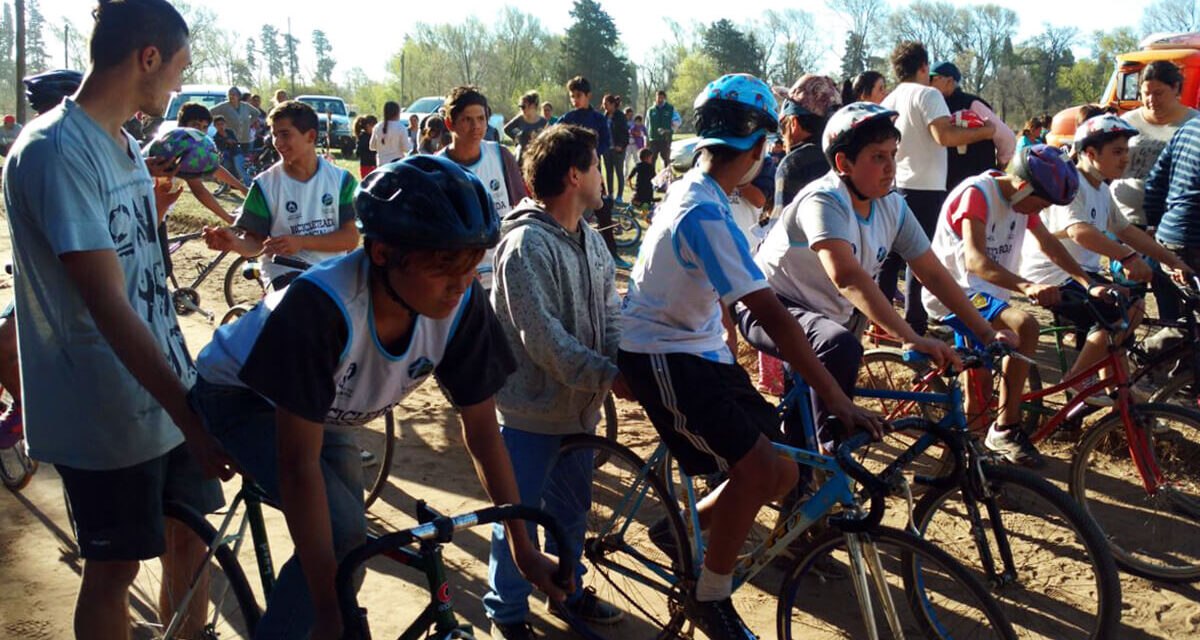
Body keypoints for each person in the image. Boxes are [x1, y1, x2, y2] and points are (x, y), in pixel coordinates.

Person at [191, 155, 567, 639]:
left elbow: (482, 432)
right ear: (383, 253)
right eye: (443, 267)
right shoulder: (320, 307)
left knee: (345, 548)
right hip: (241, 395)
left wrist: (523, 548)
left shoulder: (463, 301)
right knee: (342, 534)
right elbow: (298, 466)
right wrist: (327, 613)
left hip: (327, 407)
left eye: (472, 265)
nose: (460, 284)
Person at [618, 73, 883, 640]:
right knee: (762, 468)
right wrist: (836, 398)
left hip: (697, 346)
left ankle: (677, 530)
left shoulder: (711, 193)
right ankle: (707, 598)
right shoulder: (706, 212)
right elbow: (779, 324)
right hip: (661, 352)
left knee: (784, 469)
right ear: (762, 147)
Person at [4, 3, 237, 638]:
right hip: (104, 409)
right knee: (116, 568)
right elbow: (106, 304)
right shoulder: (54, 150)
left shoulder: (128, 146)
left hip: (164, 389)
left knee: (190, 545)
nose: (178, 85)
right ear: (149, 57)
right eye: (179, 67)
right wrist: (192, 418)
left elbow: (133, 261)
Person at [746, 102, 1010, 449]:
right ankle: (828, 454)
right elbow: (847, 276)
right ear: (844, 164)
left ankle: (806, 481)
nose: (891, 168)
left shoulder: (892, 205)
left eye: (893, 154)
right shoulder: (824, 201)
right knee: (838, 347)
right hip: (769, 305)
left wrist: (986, 332)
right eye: (878, 157)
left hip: (826, 312)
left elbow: (931, 271)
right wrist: (908, 336)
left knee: (813, 398)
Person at [483, 124, 625, 639]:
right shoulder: (524, 245)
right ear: (574, 174)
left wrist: (619, 358)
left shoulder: (590, 239)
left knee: (571, 511)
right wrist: (610, 374)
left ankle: (567, 589)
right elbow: (542, 340)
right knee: (518, 517)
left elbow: (611, 314)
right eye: (595, 166)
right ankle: (507, 610)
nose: (603, 178)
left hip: (579, 410)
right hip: (529, 413)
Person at [924, 144, 1121, 467]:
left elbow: (1050, 245)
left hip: (989, 295)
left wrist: (1090, 284)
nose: (1040, 212)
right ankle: (1001, 432)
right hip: (954, 291)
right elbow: (974, 261)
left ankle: (973, 455)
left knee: (983, 386)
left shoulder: (1022, 203)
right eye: (1041, 204)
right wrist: (1027, 286)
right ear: (1022, 185)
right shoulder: (978, 194)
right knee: (1023, 327)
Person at [1019, 113, 1190, 399]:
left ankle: (1115, 388)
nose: (1125, 159)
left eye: (1126, 151)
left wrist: (1173, 261)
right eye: (1117, 152)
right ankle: (1077, 381)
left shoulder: (1101, 188)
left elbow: (1126, 231)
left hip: (1081, 274)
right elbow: (1079, 232)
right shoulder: (1072, 183)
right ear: (1090, 152)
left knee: (1131, 308)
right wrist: (1127, 258)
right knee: (1115, 313)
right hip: (1053, 275)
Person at [878, 41, 996, 337]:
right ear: (923, 67)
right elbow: (943, 135)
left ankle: (879, 323)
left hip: (895, 185)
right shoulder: (928, 94)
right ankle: (915, 323)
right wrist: (986, 131)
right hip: (926, 188)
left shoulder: (889, 99)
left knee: (891, 259)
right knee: (922, 256)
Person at [202, 100, 360, 293]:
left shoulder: (342, 180)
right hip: (284, 271)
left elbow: (350, 239)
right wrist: (234, 243)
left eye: (285, 134)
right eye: (274, 134)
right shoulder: (265, 184)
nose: (277, 142)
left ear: (310, 136)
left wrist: (300, 242)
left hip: (331, 272)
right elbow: (255, 243)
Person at [438, 85, 526, 290]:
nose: (476, 126)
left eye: (481, 119)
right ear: (450, 123)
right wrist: (458, 268)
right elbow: (436, 233)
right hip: (463, 280)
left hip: (506, 272)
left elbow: (523, 211)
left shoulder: (501, 156)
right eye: (467, 119)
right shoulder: (437, 168)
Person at [1113, 61, 1199, 229]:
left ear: (1175, 88)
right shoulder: (1126, 122)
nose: (1151, 100)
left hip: (1172, 222)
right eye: (1146, 93)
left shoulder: (1194, 123)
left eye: (1158, 93)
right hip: (1124, 220)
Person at [559, 77, 624, 265]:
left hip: (594, 171)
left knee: (603, 210)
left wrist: (591, 154)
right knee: (573, 213)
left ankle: (612, 254)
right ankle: (571, 256)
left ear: (588, 96)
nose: (575, 100)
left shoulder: (598, 119)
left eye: (578, 95)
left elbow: (605, 142)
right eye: (572, 96)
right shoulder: (568, 118)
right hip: (572, 175)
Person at [928, 61, 1016, 193]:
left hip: (978, 182)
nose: (928, 83)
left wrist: (1000, 166)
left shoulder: (972, 104)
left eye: (933, 79)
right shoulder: (932, 105)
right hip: (947, 183)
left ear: (949, 81)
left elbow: (1007, 137)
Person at [774, 74, 842, 211]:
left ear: (793, 123)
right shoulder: (845, 160)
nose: (782, 134)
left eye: (782, 124)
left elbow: (781, 227)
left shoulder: (794, 165)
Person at [210, 85, 256, 185]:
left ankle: (246, 181)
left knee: (244, 161)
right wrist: (219, 124)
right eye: (230, 95)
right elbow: (210, 112)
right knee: (231, 161)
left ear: (239, 96)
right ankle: (229, 182)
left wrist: (249, 123)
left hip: (244, 138)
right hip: (230, 138)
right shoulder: (224, 106)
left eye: (234, 94)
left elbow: (256, 113)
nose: (232, 97)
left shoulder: (245, 106)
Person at [503, 91, 548, 162]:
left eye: (523, 107)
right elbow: (506, 129)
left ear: (532, 106)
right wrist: (517, 137)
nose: (521, 109)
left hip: (537, 154)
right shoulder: (520, 118)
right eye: (520, 107)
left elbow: (548, 139)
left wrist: (538, 136)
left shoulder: (543, 121)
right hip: (522, 155)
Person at [601, 94, 629, 202]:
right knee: (609, 172)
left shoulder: (620, 116)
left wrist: (621, 146)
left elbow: (625, 133)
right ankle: (610, 194)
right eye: (603, 104)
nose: (604, 107)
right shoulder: (604, 117)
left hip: (618, 149)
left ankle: (620, 196)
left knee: (619, 171)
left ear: (613, 104)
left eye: (606, 104)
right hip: (607, 149)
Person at [645, 89, 679, 171]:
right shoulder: (650, 110)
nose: (659, 99)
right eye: (658, 97)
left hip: (665, 139)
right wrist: (646, 139)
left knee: (666, 160)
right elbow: (646, 125)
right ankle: (651, 178)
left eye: (661, 98)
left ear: (664, 98)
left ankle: (666, 179)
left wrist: (669, 130)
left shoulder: (670, 109)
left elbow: (678, 121)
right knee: (651, 160)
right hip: (653, 139)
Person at [369, 100, 410, 165]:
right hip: (396, 164)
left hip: (381, 164)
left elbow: (372, 146)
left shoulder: (377, 127)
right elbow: (406, 149)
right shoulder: (401, 127)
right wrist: (411, 143)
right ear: (397, 112)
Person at [354, 114, 378, 178]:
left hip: (369, 166)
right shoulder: (364, 138)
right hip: (367, 166)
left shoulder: (365, 136)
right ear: (368, 126)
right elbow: (358, 152)